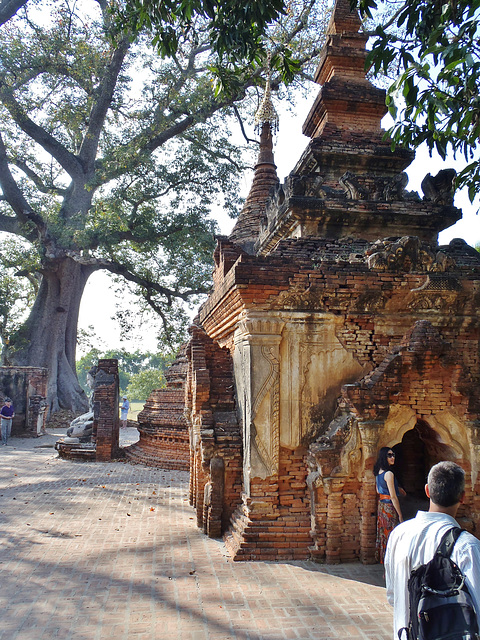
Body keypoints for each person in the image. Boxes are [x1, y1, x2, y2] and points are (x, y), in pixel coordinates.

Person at [385, 461, 480, 640]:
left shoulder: (398, 535)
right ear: (462, 497)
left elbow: (392, 596)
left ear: (427, 490)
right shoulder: (468, 546)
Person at [374, 446, 405, 563]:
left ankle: (384, 560)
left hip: (381, 505)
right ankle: (390, 562)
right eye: (389, 455)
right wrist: (400, 515)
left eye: (393, 455)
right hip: (389, 507)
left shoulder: (378, 472)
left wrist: (397, 488)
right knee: (392, 534)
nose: (393, 457)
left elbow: (378, 490)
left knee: (383, 533)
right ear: (384, 457)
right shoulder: (389, 474)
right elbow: (393, 497)